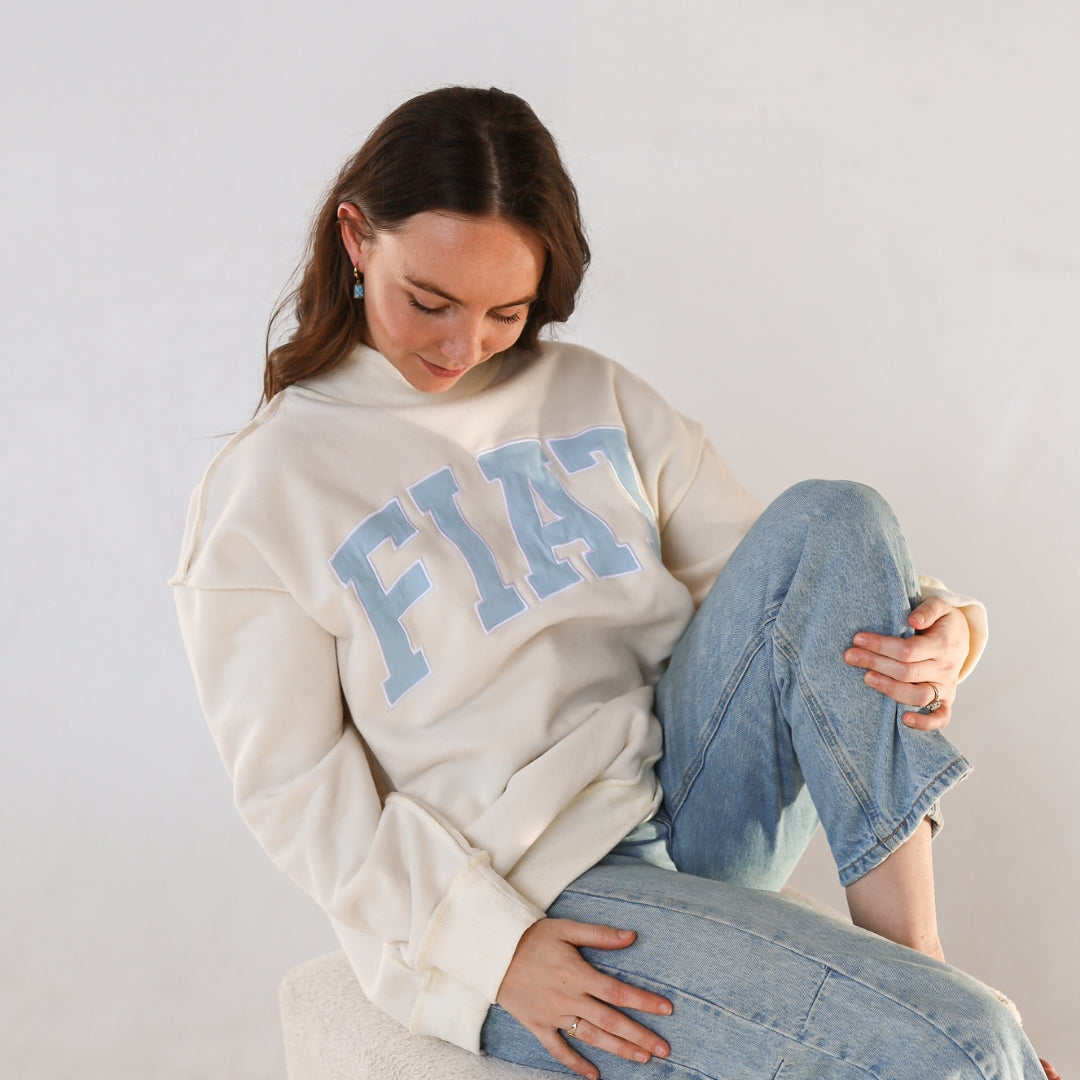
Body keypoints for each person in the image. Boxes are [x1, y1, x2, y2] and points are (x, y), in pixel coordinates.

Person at [172, 86, 1059, 1079]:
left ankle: (913, 961)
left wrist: (947, 630)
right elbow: (297, 795)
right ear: (355, 238)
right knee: (971, 1046)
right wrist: (490, 950)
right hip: (539, 881)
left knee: (835, 514)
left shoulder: (591, 393)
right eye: (431, 302)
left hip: (690, 796)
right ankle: (932, 1016)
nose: (465, 348)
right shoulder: (264, 491)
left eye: (506, 312)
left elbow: (796, 583)